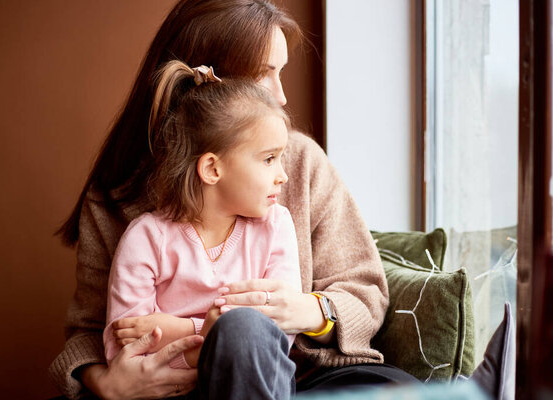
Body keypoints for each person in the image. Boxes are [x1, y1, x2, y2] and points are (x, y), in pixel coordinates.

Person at [49, 0, 401, 398]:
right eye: (264, 75)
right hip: (169, 385)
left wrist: (310, 310)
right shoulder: (119, 193)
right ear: (213, 79)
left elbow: (366, 290)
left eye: (281, 73)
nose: (282, 97)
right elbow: (93, 332)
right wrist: (106, 383)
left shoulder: (300, 162)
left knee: (393, 388)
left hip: (300, 376)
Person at [102, 60, 302, 370]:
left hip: (253, 380)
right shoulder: (147, 239)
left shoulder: (276, 226)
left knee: (246, 331)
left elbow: (275, 334)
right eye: (269, 159)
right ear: (212, 169)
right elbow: (125, 349)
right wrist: (209, 336)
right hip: (166, 392)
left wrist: (184, 329)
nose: (283, 176)